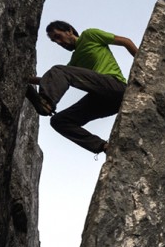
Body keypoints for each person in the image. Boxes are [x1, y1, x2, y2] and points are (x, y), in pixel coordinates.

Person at [26, 21, 138, 154]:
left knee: (59, 70)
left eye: (58, 36)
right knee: (59, 121)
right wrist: (25, 79)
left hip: (115, 86)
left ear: (69, 31)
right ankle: (104, 147)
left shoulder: (89, 35)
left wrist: (142, 64)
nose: (58, 42)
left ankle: (45, 102)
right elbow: (53, 79)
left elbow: (125, 41)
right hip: (104, 101)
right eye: (54, 41)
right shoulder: (74, 61)